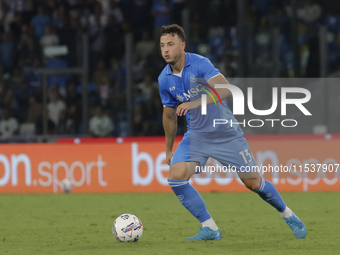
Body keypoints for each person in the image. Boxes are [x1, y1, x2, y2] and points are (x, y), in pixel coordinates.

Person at [158, 24, 306, 241]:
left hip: (225, 134)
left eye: (170, 44)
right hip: (197, 137)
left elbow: (226, 89)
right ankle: (209, 228)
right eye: (162, 45)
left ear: (182, 45)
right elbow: (169, 116)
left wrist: (196, 102)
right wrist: (168, 148)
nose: (165, 50)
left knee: (253, 183)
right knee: (176, 177)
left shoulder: (199, 64)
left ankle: (288, 214)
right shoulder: (164, 79)